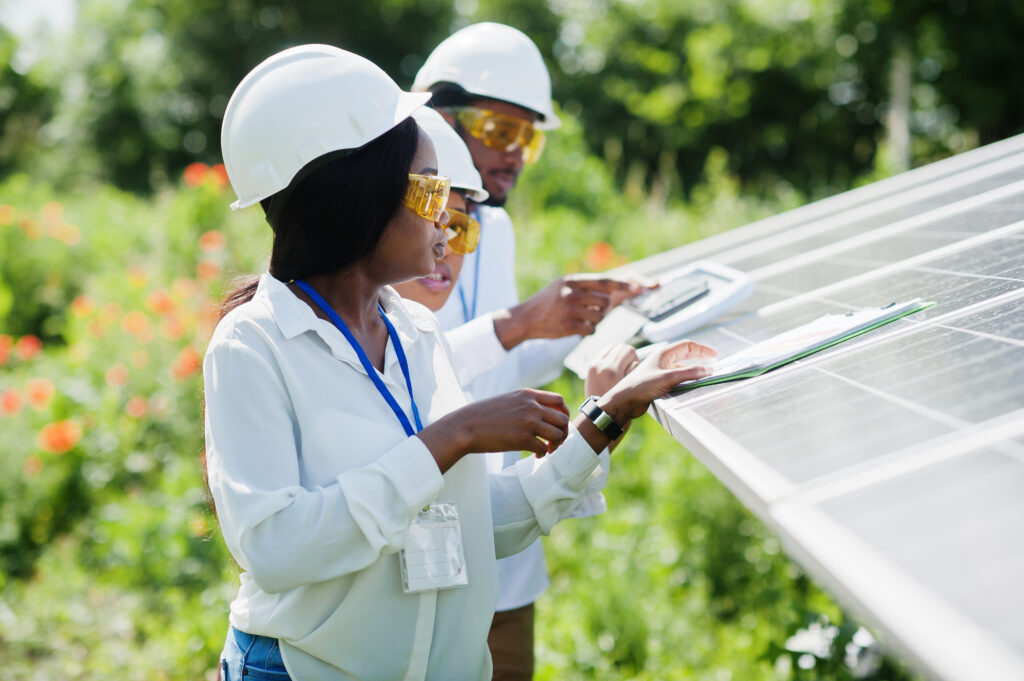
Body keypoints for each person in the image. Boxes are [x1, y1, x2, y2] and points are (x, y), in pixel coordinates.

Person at [206, 44, 715, 681]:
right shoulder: (252, 345)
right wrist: (454, 437)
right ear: (357, 199)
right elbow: (277, 548)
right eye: (430, 191)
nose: (447, 224)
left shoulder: (415, 330)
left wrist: (605, 417)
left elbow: (475, 526)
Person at [413, 23, 651, 677]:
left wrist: (584, 324)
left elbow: (494, 373)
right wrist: (520, 321)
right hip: (412, 560)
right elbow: (409, 370)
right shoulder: (393, 221)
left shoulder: (493, 226)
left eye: (528, 138)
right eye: (500, 131)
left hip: (503, 548)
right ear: (437, 114)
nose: (516, 153)